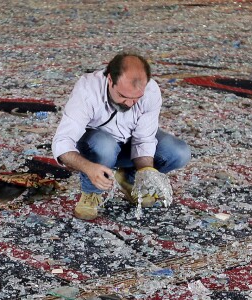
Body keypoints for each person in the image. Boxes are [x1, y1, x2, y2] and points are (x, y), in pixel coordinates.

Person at [51, 53, 191, 220]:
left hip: (127, 144)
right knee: (105, 145)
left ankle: (129, 179)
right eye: (123, 96)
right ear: (110, 80)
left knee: (179, 153)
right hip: (96, 147)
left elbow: (144, 138)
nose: (129, 103)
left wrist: (146, 170)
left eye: (136, 99)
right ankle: (91, 192)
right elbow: (62, 142)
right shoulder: (88, 89)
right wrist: (89, 168)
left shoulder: (150, 90)